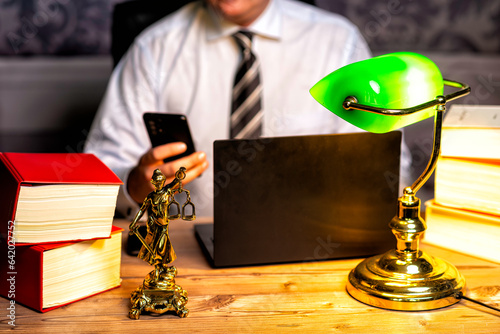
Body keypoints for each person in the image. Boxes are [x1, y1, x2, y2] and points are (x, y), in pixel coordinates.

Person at [85, 0, 410, 218]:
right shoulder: (154, 48)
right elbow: (98, 175)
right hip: (186, 255)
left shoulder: (338, 41)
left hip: (312, 249)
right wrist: (135, 186)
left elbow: (388, 171)